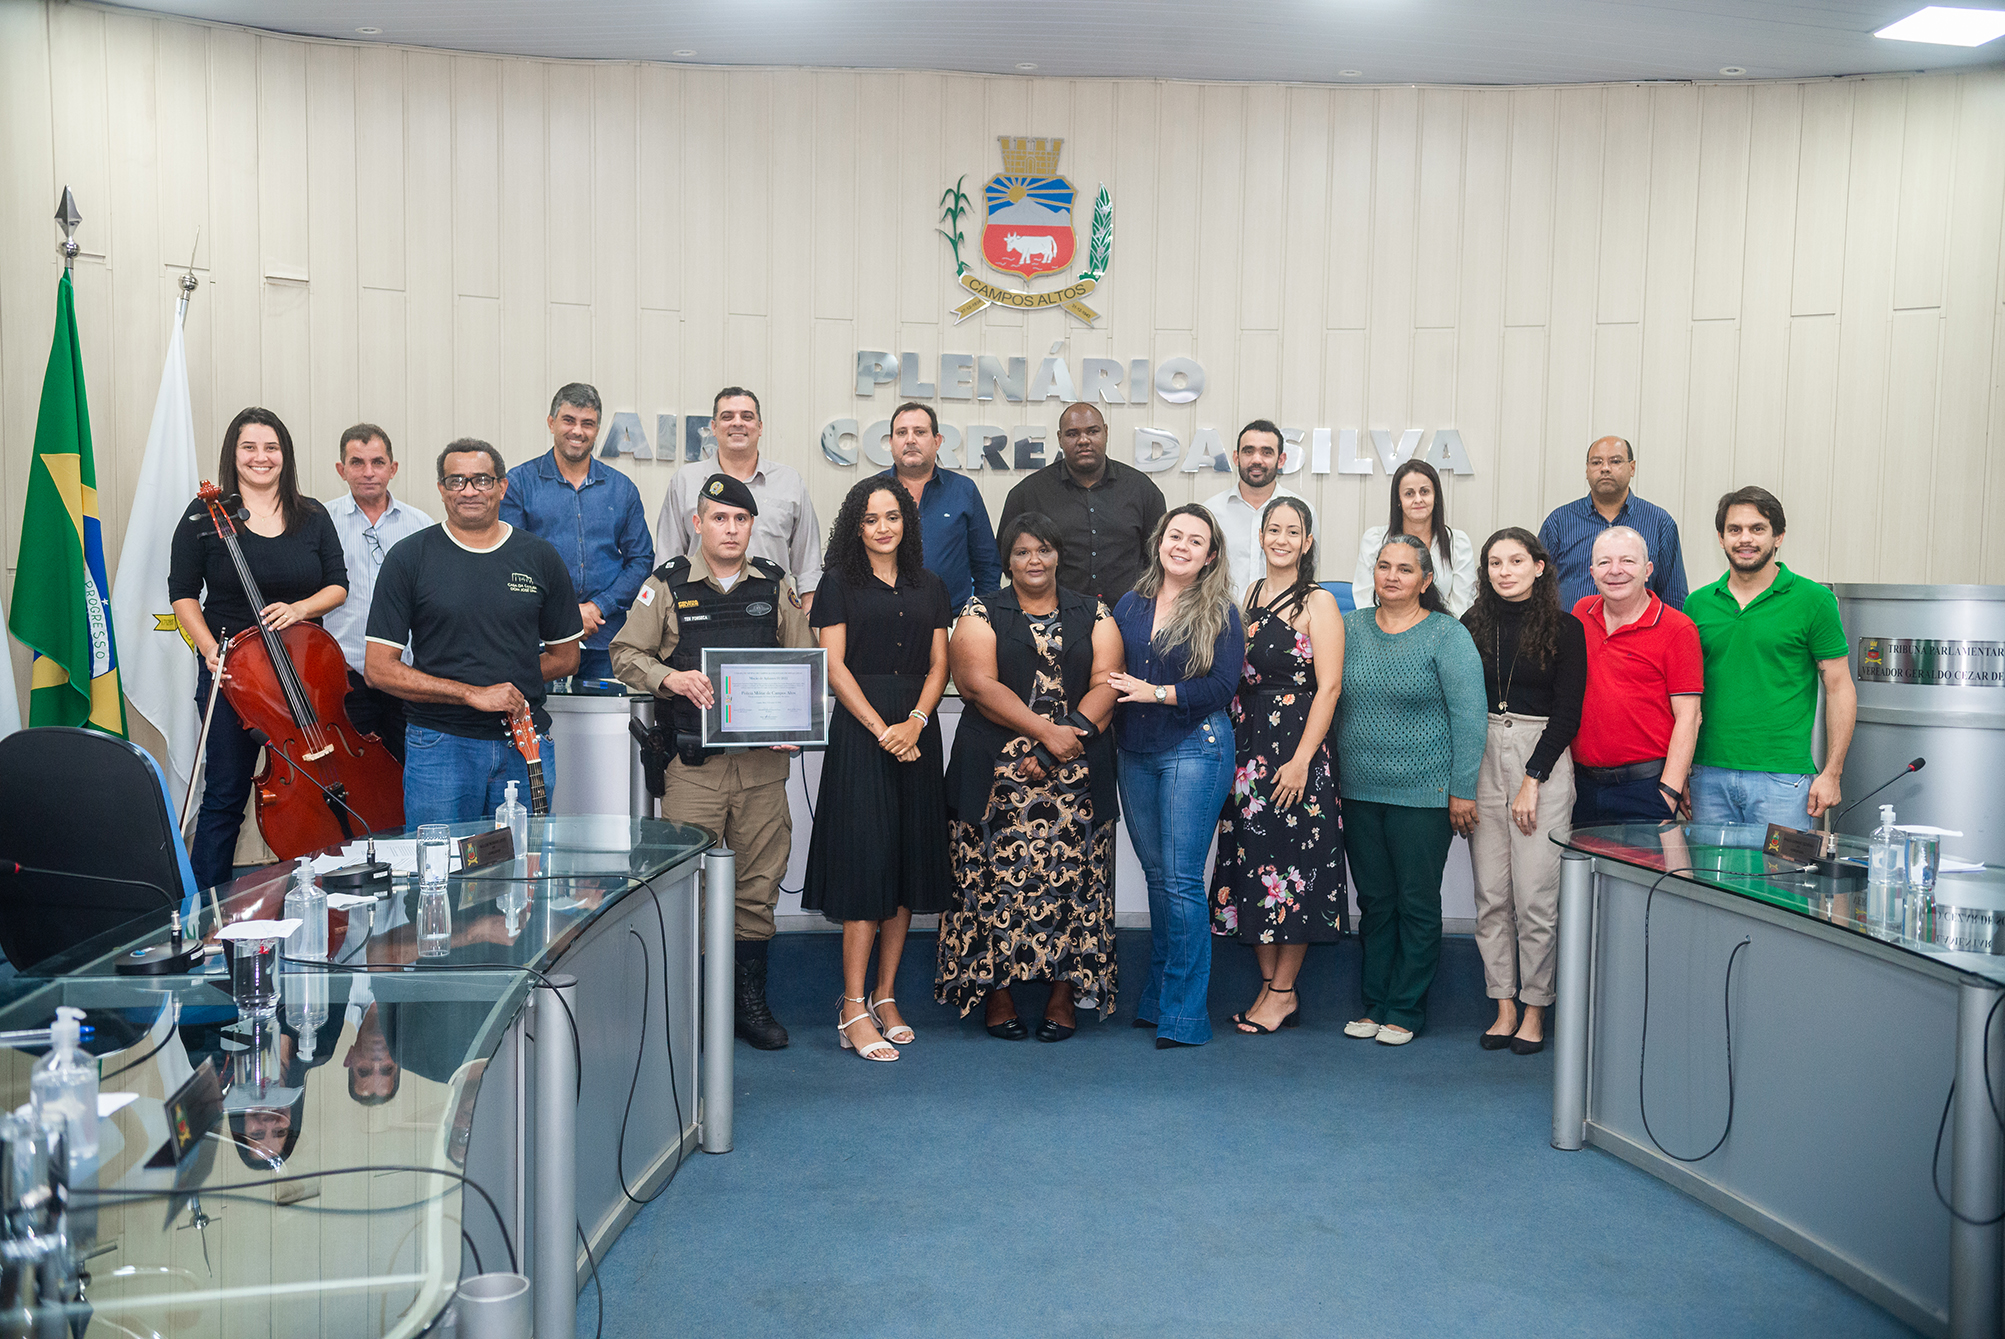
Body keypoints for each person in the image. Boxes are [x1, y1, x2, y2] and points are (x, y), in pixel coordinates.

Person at [610, 472, 814, 1051]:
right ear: (697, 523)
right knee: (683, 884)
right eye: (719, 518)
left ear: (754, 526)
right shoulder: (667, 585)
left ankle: (747, 1004)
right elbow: (625, 653)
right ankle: (686, 1004)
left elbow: (803, 663)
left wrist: (798, 723)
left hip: (761, 771)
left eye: (741, 519)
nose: (730, 528)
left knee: (756, 887)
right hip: (692, 771)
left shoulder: (776, 586)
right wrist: (668, 677)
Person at [937, 512, 1124, 1043]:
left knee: (1074, 886)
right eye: (1021, 552)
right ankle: (995, 994)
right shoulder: (980, 610)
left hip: (1076, 781)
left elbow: (1107, 682)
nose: (1033, 561)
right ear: (1006, 560)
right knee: (990, 886)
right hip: (996, 778)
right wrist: (1047, 732)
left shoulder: (1095, 611)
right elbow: (976, 683)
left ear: (1058, 554)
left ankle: (1064, 996)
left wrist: (1060, 745)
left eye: (1042, 549)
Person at [803, 478, 953, 1063]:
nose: (883, 527)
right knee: (867, 868)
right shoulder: (837, 584)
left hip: (917, 730)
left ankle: (887, 996)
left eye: (893, 517)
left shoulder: (931, 585)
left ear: (906, 524)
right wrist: (882, 730)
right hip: (863, 734)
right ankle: (851, 1004)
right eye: (871, 519)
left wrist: (915, 722)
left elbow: (940, 665)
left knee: (905, 865)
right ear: (855, 525)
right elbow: (834, 668)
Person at [168, 407, 349, 890]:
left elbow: (338, 586)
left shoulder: (312, 515)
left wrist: (300, 608)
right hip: (234, 676)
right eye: (249, 447)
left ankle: (328, 893)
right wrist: (209, 650)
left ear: (284, 455)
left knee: (321, 781)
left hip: (303, 673)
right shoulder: (201, 516)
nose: (261, 457)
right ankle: (207, 909)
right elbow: (183, 593)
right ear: (234, 454)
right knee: (225, 794)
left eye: (271, 447)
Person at [364, 439, 583, 825]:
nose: (468, 490)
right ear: (441, 489)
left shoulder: (540, 557)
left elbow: (566, 658)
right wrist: (472, 693)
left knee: (524, 872)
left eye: (481, 480)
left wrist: (508, 687)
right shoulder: (410, 557)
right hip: (439, 745)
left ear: (502, 486)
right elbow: (379, 669)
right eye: (456, 480)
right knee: (438, 872)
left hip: (525, 741)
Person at [1336, 535, 1487, 1047]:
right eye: (1383, 566)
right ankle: (1374, 1003)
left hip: (1425, 796)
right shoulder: (1350, 628)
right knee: (1375, 901)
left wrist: (1462, 790)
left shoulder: (1447, 635)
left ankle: (1405, 1009)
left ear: (1425, 581)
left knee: (1416, 902)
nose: (1391, 576)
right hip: (1358, 790)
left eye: (1404, 569)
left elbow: (1469, 718)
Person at [1107, 505, 1245, 1049]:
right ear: (1159, 542)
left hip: (1196, 746)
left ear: (1211, 554)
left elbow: (1221, 687)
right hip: (1134, 751)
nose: (1182, 545)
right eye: (1175, 535)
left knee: (1183, 879)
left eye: (1196, 540)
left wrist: (1156, 692)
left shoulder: (1222, 612)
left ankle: (1186, 1017)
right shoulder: (1129, 604)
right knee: (1159, 879)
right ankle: (1159, 1001)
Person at [1210, 497, 1345, 1036]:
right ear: (1261, 536)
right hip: (1248, 750)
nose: (1281, 538)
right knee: (1254, 867)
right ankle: (1269, 989)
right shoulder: (1249, 595)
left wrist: (1301, 761)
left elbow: (1330, 686)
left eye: (1293, 530)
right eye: (1273, 528)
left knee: (1295, 871)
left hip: (1297, 752)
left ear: (1307, 542)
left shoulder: (1320, 603)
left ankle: (1285, 991)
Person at [1460, 528, 1586, 1056]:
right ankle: (1503, 1004)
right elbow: (1460, 703)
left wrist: (1533, 779)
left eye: (1516, 560)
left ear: (1539, 566)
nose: (1504, 570)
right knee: (1492, 895)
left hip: (1544, 757)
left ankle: (1535, 1008)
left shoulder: (1565, 627)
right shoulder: (1470, 624)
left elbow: (1568, 711)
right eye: (1494, 562)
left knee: (1536, 897)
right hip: (1482, 750)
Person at [1687, 486, 1855, 840]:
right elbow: (1683, 695)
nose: (1745, 539)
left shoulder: (1815, 601)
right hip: (1706, 777)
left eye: (1757, 528)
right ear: (1720, 538)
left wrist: (1832, 773)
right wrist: (1680, 773)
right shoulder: (1698, 604)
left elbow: (1839, 687)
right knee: (1709, 891)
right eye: (1734, 530)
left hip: (1783, 782)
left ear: (1778, 536)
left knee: (1781, 889)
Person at [500, 382, 653, 683]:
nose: (577, 431)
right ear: (551, 422)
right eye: (568, 420)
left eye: (588, 423)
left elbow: (641, 560)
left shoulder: (622, 489)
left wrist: (599, 606)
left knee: (603, 727)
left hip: (605, 637)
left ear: (597, 429)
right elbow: (512, 560)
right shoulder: (518, 484)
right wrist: (567, 614)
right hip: (539, 639)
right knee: (539, 725)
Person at [1570, 526, 1702, 825]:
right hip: (1582, 788)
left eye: (1627, 561)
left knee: (1640, 873)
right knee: (1583, 873)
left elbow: (1689, 716)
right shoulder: (1580, 614)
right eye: (1604, 562)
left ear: (1648, 570)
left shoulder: (1677, 628)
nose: (1615, 571)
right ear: (1592, 572)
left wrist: (1669, 791)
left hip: (1646, 788)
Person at [321, 422, 433, 763]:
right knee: (352, 775)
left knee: (408, 772)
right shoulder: (321, 522)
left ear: (393, 468)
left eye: (378, 462)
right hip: (345, 678)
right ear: (341, 469)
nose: (368, 472)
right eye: (357, 462)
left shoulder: (421, 526)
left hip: (407, 677)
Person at [655, 386, 824, 612]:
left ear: (760, 427)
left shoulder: (789, 482)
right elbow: (668, 560)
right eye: (727, 417)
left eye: (747, 416)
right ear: (713, 428)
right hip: (700, 615)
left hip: (773, 615)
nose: (737, 423)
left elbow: (808, 565)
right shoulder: (685, 481)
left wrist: (808, 616)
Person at [999, 401, 1167, 604]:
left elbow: (1160, 559)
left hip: (1127, 616)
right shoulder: (1027, 493)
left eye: (1092, 431)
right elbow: (1007, 559)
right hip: (1055, 619)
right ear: (1060, 438)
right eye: (1072, 434)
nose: (1083, 440)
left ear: (1105, 432)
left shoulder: (1141, 490)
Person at [1539, 435, 1688, 613]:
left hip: (1638, 636)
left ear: (1632, 468)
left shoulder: (1660, 523)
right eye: (1596, 463)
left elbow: (1673, 597)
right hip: (1572, 635)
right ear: (1587, 470)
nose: (1605, 469)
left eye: (1615, 461)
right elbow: (1538, 588)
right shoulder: (1559, 522)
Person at [878, 400, 1001, 607]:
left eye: (919, 432)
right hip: (883, 617)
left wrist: (980, 615)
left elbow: (987, 565)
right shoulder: (871, 492)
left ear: (937, 440)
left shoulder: (963, 490)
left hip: (953, 621)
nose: (910, 440)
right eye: (901, 433)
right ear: (890, 442)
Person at [1350, 459, 1478, 616]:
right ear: (1398, 500)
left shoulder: (1457, 542)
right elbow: (1365, 598)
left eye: (1424, 491)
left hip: (1442, 634)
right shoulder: (1375, 540)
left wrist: (1440, 635)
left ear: (1436, 496)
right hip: (1385, 632)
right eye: (1409, 493)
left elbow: (1462, 604)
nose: (1418, 500)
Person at [1203, 420, 1313, 591]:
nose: (1256, 460)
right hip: (1221, 616)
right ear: (1236, 457)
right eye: (1248, 451)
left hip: (1285, 616)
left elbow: (1308, 569)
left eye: (1266, 452)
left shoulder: (1302, 512)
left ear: (1281, 459)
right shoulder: (1210, 512)